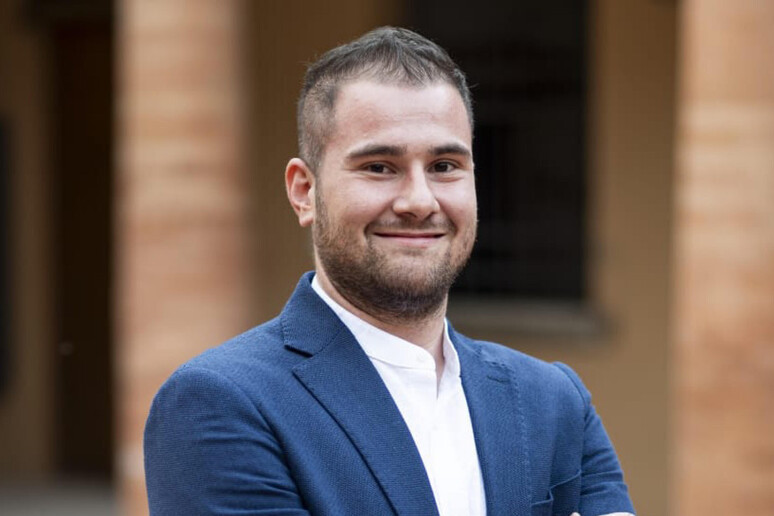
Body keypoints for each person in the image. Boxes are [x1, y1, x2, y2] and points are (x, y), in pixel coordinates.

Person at [144, 27, 635, 516]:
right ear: (304, 191)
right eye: (379, 167)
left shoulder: (553, 401)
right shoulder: (221, 402)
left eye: (444, 166)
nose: (420, 201)